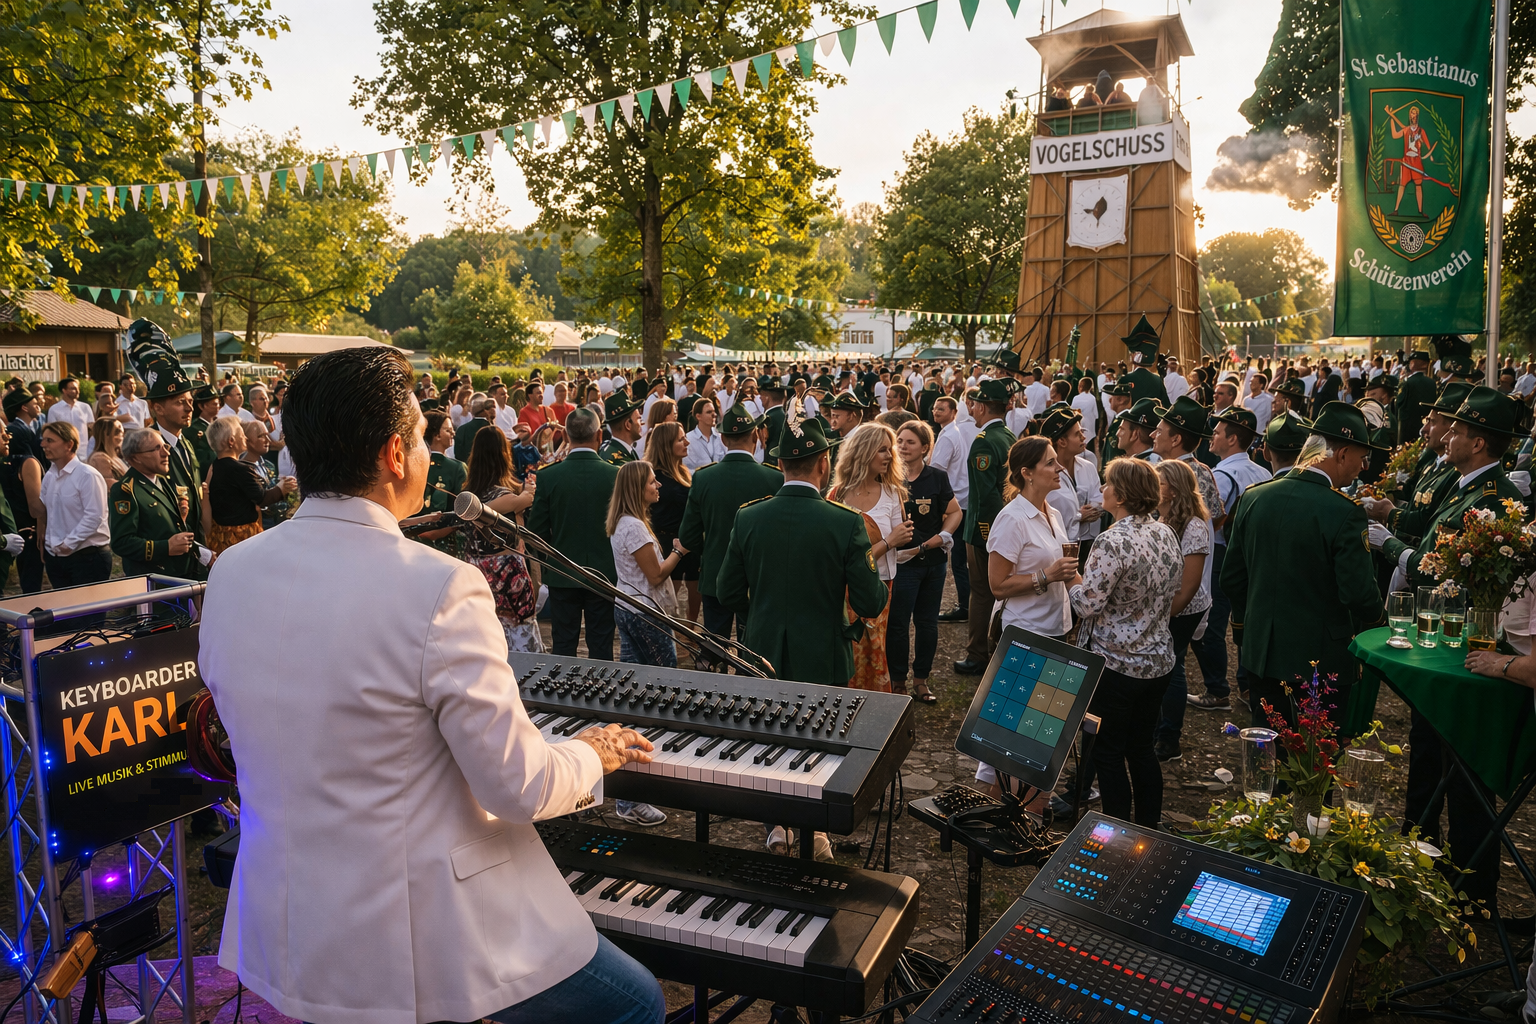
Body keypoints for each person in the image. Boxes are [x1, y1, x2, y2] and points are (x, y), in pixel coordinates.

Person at [199, 346, 665, 1024]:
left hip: (292, 917)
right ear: (395, 453)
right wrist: (596, 750)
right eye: (420, 437)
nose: (424, 456)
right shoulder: (437, 585)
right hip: (416, 929)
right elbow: (519, 787)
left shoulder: (232, 573)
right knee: (634, 1004)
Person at [1224, 403, 1386, 731]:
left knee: (1267, 749)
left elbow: (1232, 578)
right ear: (1341, 454)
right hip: (1320, 660)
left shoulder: (1255, 497)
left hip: (1262, 653)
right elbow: (1357, 592)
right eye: (1361, 456)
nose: (1363, 466)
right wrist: (1381, 622)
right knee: (1313, 760)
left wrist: (1246, 631)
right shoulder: (1344, 511)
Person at [716, 415, 886, 686]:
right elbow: (869, 602)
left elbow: (727, 591)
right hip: (823, 659)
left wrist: (764, 614)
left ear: (780, 463)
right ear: (823, 462)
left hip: (761, 652)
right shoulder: (847, 521)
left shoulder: (748, 517)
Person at [1065, 457, 1183, 826]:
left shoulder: (1111, 540)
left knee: (1109, 753)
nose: (1102, 489)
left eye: (1107, 484)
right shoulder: (1166, 533)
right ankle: (1148, 826)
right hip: (1158, 659)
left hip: (1116, 664)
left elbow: (1089, 603)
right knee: (1142, 750)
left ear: (1122, 494)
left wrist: (1071, 579)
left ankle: (1119, 830)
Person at [676, 404, 781, 663]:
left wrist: (710, 552)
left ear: (722, 439)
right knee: (754, 652)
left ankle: (713, 696)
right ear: (755, 437)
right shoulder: (773, 478)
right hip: (758, 577)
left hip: (715, 573)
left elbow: (688, 537)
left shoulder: (704, 478)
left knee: (713, 649)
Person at [1188, 407, 1271, 712]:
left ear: (1233, 439)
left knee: (1212, 622)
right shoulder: (1262, 471)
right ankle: (1248, 686)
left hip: (1223, 553)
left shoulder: (1223, 474)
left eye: (1219, 431)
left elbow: (1213, 518)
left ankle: (1217, 689)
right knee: (1246, 621)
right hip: (1253, 554)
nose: (1213, 435)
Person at [528, 407, 620, 660]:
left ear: (566, 436)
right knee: (602, 645)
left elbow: (535, 531)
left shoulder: (549, 476)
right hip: (604, 573)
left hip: (562, 573)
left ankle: (561, 698)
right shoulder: (615, 474)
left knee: (564, 646)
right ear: (599, 436)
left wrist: (551, 563)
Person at [828, 423, 912, 693]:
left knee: (875, 648)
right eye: (882, 450)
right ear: (864, 452)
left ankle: (874, 705)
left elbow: (900, 545)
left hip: (880, 586)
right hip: (843, 588)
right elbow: (837, 556)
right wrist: (887, 543)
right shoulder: (836, 495)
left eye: (890, 450)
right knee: (849, 649)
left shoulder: (893, 493)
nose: (890, 455)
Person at [888, 421, 960, 704]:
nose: (903, 447)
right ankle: (896, 683)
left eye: (910, 442)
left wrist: (942, 537)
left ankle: (921, 680)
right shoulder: (889, 478)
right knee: (897, 625)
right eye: (900, 441)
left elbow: (954, 512)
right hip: (903, 564)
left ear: (925, 448)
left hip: (933, 563)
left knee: (928, 624)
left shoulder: (937, 477)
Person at [956, 377, 1021, 675]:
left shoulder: (984, 442)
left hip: (986, 529)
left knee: (981, 592)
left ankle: (979, 653)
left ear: (982, 406)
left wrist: (987, 534)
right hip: (1008, 526)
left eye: (975, 403)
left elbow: (985, 498)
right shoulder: (1008, 436)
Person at [1150, 459, 1212, 763]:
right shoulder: (1158, 518)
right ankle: (1156, 727)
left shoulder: (1194, 526)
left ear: (1173, 489)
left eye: (1159, 482)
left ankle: (1169, 736)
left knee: (1173, 665)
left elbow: (1189, 584)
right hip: (1163, 606)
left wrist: (1166, 614)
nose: (1155, 487)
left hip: (1183, 608)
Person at [459, 425, 542, 654]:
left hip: (476, 571)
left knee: (485, 640)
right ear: (503, 456)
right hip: (508, 573)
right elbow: (525, 500)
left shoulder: (469, 494)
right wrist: (527, 488)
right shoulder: (503, 497)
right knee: (522, 639)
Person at [607, 460, 685, 680]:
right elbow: (655, 575)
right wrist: (679, 552)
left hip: (627, 605)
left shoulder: (624, 521)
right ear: (637, 489)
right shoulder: (634, 527)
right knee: (665, 675)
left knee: (633, 677)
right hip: (644, 611)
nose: (658, 485)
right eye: (652, 482)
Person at [109, 428, 201, 578]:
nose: (166, 453)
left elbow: (176, 528)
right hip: (153, 579)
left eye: (165, 446)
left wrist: (204, 554)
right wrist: (165, 547)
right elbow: (122, 542)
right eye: (157, 448)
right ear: (136, 458)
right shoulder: (127, 490)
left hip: (180, 573)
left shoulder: (164, 481)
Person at [37, 422, 113, 587]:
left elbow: (94, 516)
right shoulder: (49, 476)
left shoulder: (88, 475)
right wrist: (48, 542)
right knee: (64, 612)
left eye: (50, 440)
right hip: (57, 558)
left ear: (69, 445)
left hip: (88, 558)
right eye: (43, 440)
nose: (43, 445)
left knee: (89, 612)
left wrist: (68, 544)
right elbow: (48, 512)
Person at [205, 416, 295, 554]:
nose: (245, 439)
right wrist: (282, 488)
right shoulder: (241, 469)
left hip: (220, 535)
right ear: (231, 441)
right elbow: (262, 498)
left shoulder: (214, 467)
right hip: (241, 535)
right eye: (242, 435)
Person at [643, 421, 700, 622]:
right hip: (665, 544)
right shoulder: (653, 476)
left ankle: (689, 635)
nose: (687, 442)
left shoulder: (683, 471)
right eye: (681, 439)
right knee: (666, 608)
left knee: (694, 592)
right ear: (667, 445)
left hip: (689, 543)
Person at [1037, 408, 1103, 564]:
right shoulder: (1045, 473)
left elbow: (1100, 501)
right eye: (1077, 434)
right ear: (1062, 441)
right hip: (1059, 546)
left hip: (1089, 542)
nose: (1083, 437)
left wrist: (1090, 510)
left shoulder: (1088, 466)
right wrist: (1079, 516)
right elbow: (1049, 511)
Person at [929, 396, 971, 622]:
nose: (936, 412)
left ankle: (965, 606)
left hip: (953, 500)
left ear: (954, 412)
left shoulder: (949, 436)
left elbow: (936, 470)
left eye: (941, 409)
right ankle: (966, 603)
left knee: (956, 560)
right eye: (935, 408)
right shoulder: (952, 431)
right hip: (959, 497)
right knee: (959, 559)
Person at [0, 423, 44, 592]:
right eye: (2, 433)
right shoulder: (28, 463)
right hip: (28, 534)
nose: (7, 437)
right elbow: (36, 508)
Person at [600, 390, 644, 466]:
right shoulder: (621, 463)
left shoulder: (607, 448)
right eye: (638, 419)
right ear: (628, 425)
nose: (642, 423)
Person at [46, 377, 95, 442]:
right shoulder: (54, 409)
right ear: (64, 390)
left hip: (83, 449)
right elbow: (52, 431)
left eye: (78, 388)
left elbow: (92, 429)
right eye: (73, 389)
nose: (77, 391)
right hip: (63, 449)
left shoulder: (85, 407)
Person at [682, 397, 725, 470]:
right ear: (698, 416)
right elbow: (685, 468)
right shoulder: (688, 440)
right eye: (709, 412)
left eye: (714, 411)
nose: (714, 414)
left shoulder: (721, 438)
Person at [5, 387, 43, 462]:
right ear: (25, 408)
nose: (37, 407)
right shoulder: (15, 430)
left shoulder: (33, 427)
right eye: (35, 404)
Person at [87, 417, 127, 486]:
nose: (121, 436)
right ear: (105, 434)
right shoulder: (99, 458)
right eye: (117, 432)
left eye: (122, 432)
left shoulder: (114, 456)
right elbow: (109, 487)